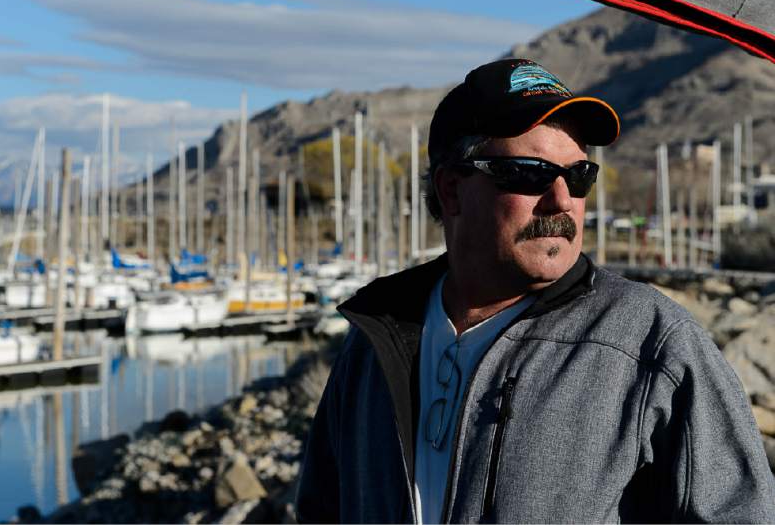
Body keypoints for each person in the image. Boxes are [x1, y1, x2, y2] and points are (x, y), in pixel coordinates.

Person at [294, 58, 775, 523]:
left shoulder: (653, 344)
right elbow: (322, 509)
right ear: (452, 190)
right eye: (530, 173)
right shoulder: (377, 337)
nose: (562, 199)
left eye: (579, 175)